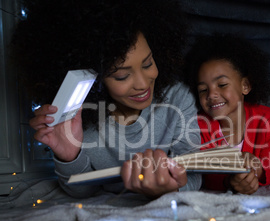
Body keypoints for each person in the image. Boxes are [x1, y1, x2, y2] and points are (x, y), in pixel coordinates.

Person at [12, 0, 201, 199]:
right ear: (97, 80)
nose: (143, 83)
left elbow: (196, 174)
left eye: (148, 64)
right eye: (122, 76)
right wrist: (69, 156)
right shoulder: (80, 116)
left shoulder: (178, 98)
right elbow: (82, 191)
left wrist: (169, 190)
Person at [184, 34, 270, 195]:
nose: (211, 94)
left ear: (245, 85)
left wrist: (255, 170)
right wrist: (229, 180)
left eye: (222, 84)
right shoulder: (198, 126)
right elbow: (205, 175)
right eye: (203, 90)